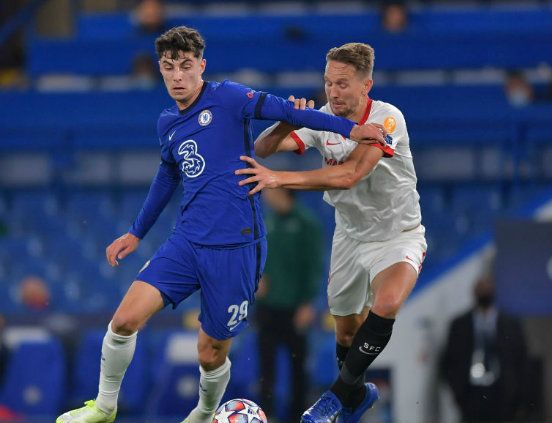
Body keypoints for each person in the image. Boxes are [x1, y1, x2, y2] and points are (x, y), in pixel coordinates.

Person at [55, 26, 384, 423]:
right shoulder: (167, 123)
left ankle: (205, 412)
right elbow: (167, 175)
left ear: (201, 66)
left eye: (185, 66)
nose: (177, 76)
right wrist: (136, 232)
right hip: (187, 241)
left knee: (210, 352)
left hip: (236, 248)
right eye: (168, 67)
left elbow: (291, 112)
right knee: (124, 320)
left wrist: (352, 129)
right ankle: (105, 407)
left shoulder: (228, 97)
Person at [236, 42, 427, 423]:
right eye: (328, 83)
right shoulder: (323, 119)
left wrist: (279, 179)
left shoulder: (387, 120)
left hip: (398, 234)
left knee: (387, 303)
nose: (333, 92)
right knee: (345, 334)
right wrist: (290, 118)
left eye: (342, 84)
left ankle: (334, 399)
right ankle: (356, 397)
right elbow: (264, 147)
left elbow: (350, 174)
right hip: (350, 238)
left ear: (365, 86)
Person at [256, 188, 323, 423]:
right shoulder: (267, 222)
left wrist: (307, 302)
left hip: (295, 308)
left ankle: (299, 416)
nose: (264, 194)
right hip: (267, 307)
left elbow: (314, 265)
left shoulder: (306, 223)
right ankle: (268, 415)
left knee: (298, 367)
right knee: (266, 366)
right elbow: (257, 257)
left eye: (269, 189)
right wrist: (258, 278)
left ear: (283, 192)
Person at [440, 276, 527, 423]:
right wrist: (457, 392)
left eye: (487, 290)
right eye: (481, 290)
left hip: (502, 393)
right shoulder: (460, 324)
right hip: (471, 393)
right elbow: (447, 361)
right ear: (474, 294)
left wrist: (518, 395)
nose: (484, 293)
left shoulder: (511, 324)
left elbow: (522, 361)